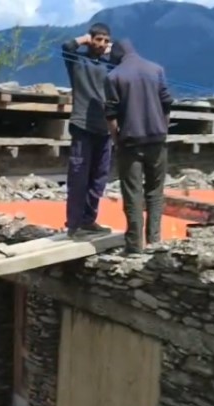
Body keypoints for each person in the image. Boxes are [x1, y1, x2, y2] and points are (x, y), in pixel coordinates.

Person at [104, 39, 173, 254]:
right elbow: (167, 103)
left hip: (130, 143)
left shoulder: (113, 76)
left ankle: (134, 246)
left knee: (133, 194)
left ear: (117, 54)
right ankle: (154, 241)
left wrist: (116, 139)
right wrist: (163, 128)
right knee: (155, 191)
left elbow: (111, 114)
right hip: (157, 140)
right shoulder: (156, 69)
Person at [61, 22, 114, 237]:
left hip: (104, 129)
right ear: (90, 39)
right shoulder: (78, 61)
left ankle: (88, 220)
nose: (101, 44)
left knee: (99, 177)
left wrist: (113, 52)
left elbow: (124, 62)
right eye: (98, 39)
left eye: (105, 41)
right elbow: (66, 47)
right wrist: (82, 39)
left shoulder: (109, 66)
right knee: (78, 176)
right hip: (82, 125)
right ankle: (73, 223)